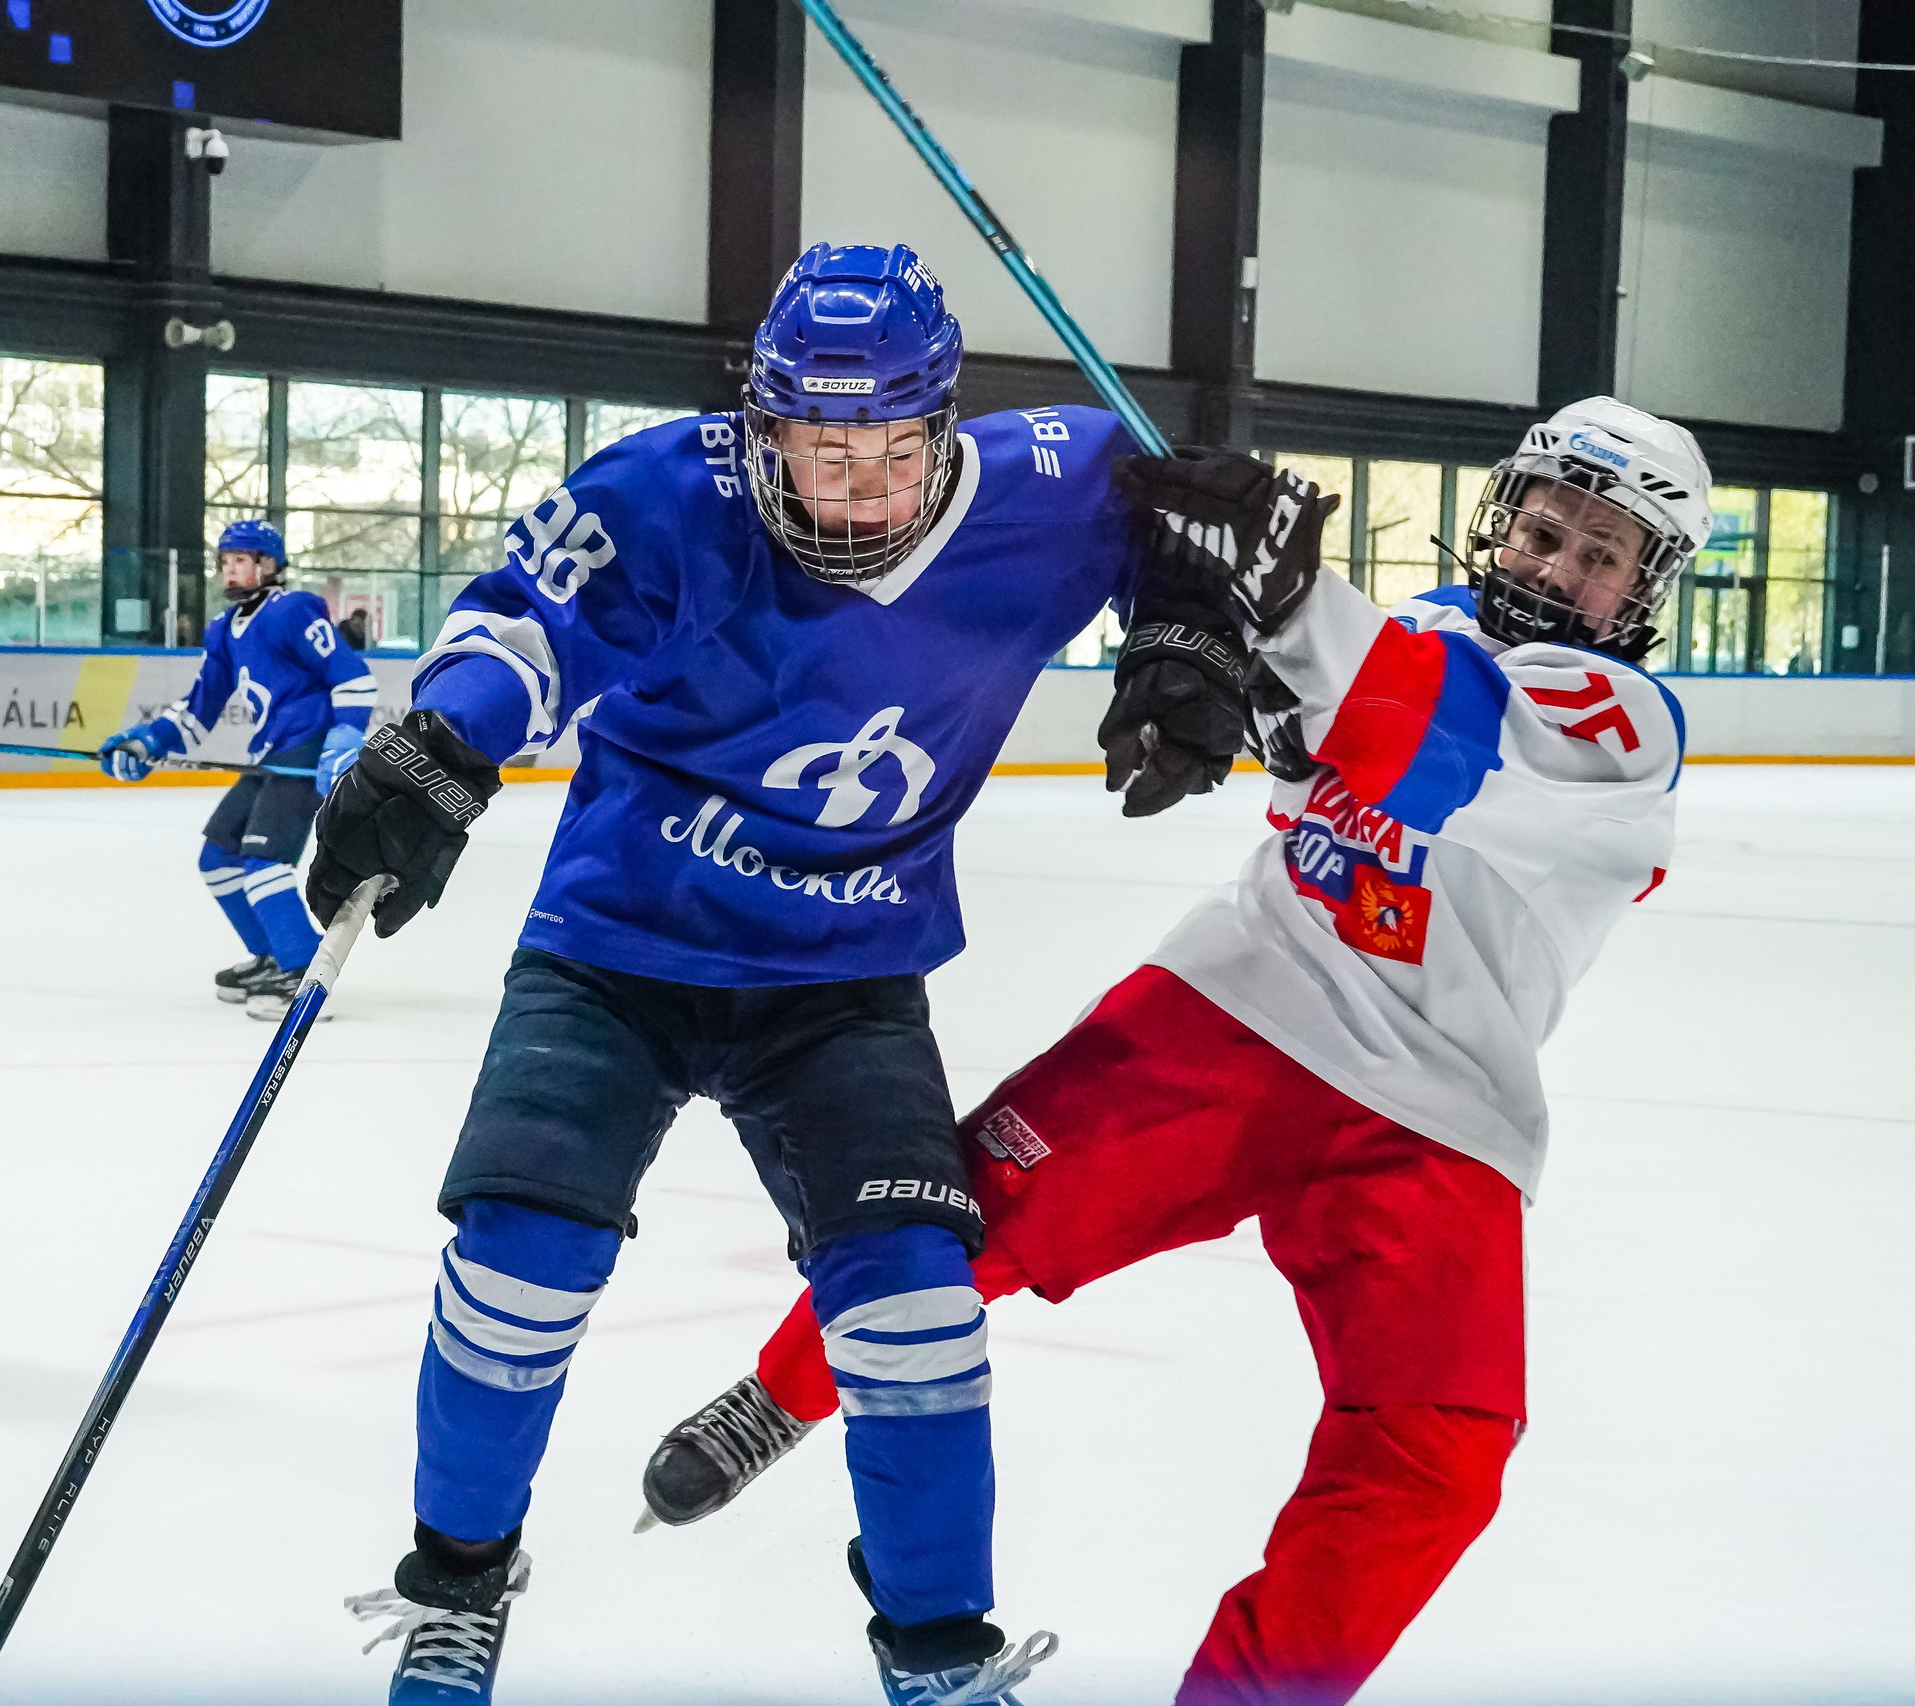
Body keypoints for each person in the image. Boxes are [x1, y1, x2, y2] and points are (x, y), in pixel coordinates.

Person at [634, 398, 1712, 1706]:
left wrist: (1280, 579)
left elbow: (1439, 739)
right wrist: (1213, 641)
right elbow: (1311, 741)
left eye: (1599, 555)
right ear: (1502, 522)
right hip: (1245, 999)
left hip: (1441, 1102)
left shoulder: (1626, 725)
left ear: (1647, 586)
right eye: (1545, 530)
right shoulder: (1422, 621)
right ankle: (784, 1390)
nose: (1557, 567)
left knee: (1442, 1449)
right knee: (958, 1212)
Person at [310, 244, 1250, 1705]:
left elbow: (1186, 527)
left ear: (944, 429)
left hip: (844, 975)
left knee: (917, 1311)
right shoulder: (668, 494)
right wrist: (442, 743)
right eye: (823, 453)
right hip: (618, 947)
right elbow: (523, 620)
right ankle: (458, 1586)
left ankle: (940, 1653)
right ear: (765, 431)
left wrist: (1189, 625)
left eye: (891, 452)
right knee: (515, 1262)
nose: (860, 490)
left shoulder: (1053, 482)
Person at [95, 518, 378, 1018]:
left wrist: (345, 735)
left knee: (264, 864)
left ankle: (303, 971)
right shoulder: (224, 631)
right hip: (269, 755)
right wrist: (147, 742)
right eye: (225, 562)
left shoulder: (292, 612)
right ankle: (271, 955)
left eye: (240, 561)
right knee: (217, 858)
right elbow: (199, 708)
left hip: (304, 755)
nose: (230, 571)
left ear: (268, 565)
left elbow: (352, 675)